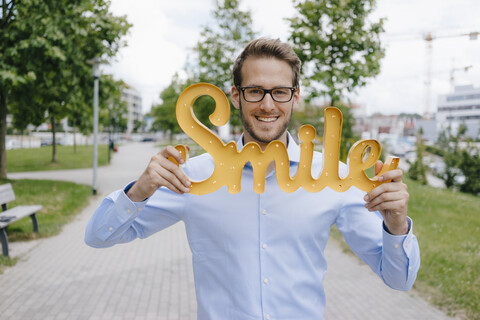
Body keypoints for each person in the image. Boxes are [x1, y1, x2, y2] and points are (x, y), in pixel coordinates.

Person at [85, 38, 420, 320]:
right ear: (236, 95)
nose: (267, 105)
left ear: (296, 96)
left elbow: (399, 279)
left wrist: (396, 225)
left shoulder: (333, 177)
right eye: (255, 91)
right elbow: (99, 236)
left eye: (280, 92)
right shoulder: (194, 178)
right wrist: (139, 190)